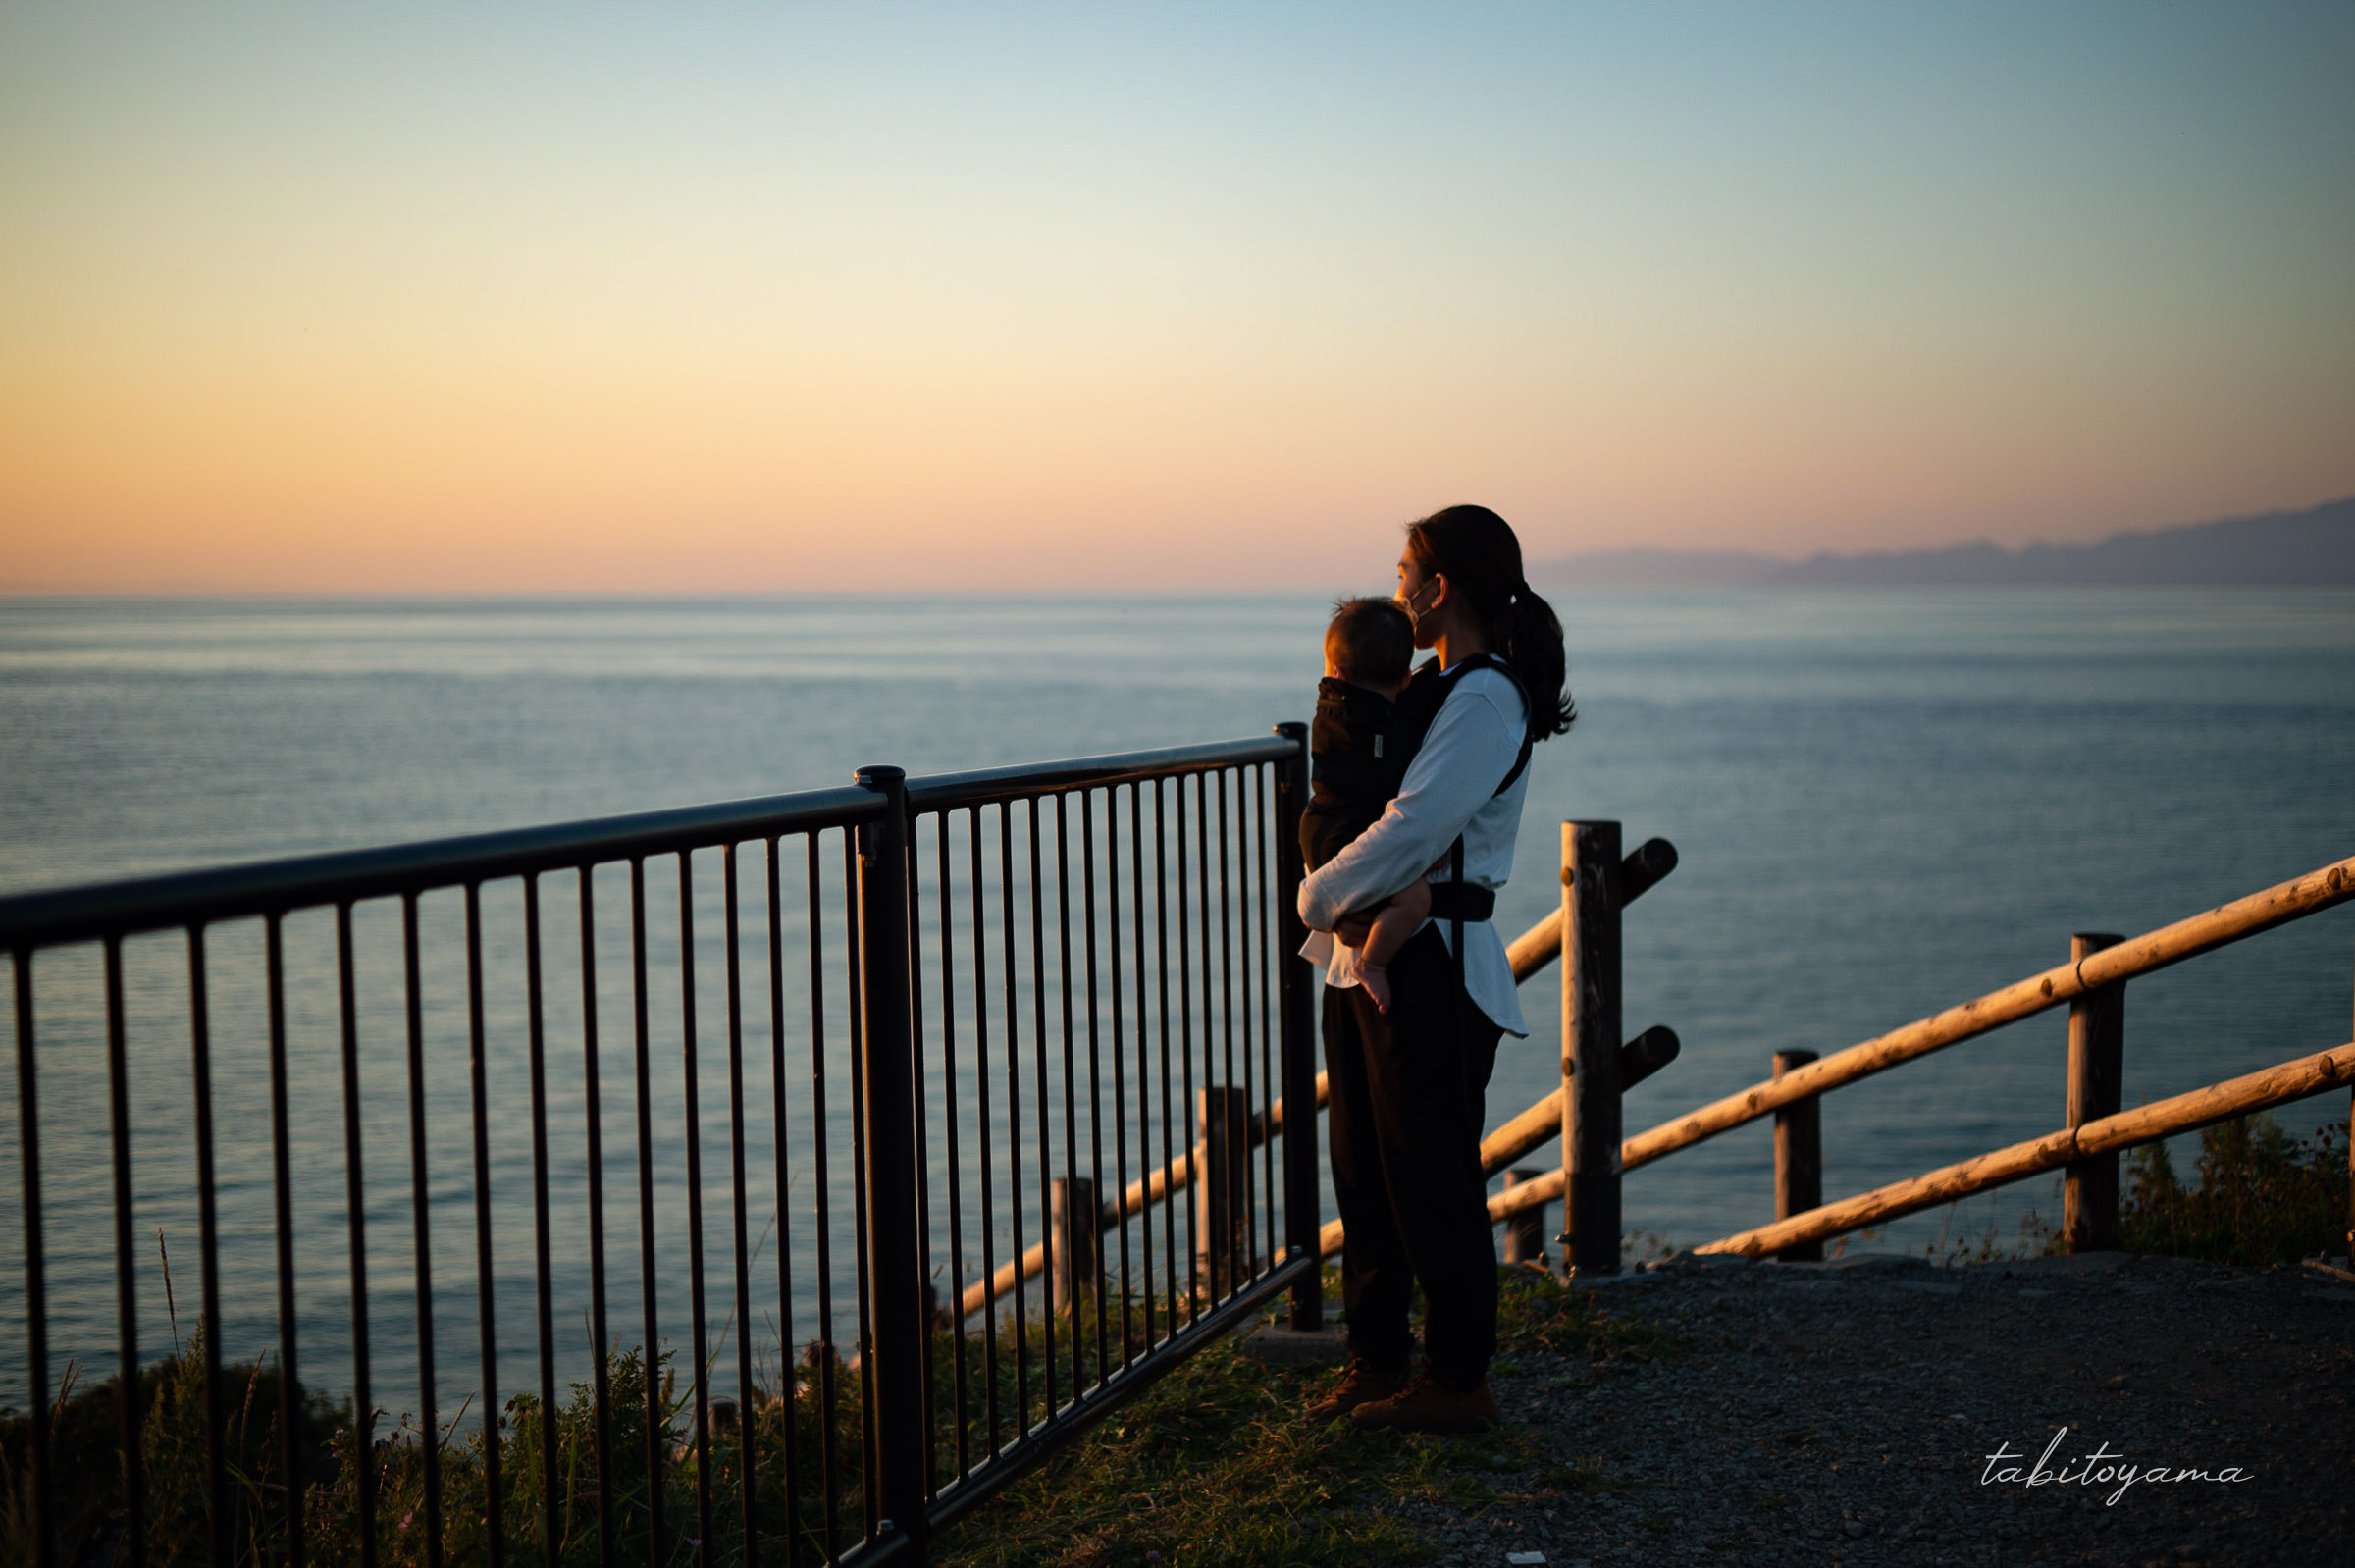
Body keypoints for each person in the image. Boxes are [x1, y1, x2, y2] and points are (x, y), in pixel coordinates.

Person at [1296, 503, 1576, 1435]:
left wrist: (1318, 896)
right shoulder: (1438, 684)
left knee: (1430, 1177)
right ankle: (1378, 1362)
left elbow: (1418, 825)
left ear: (1441, 585)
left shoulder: (1486, 694)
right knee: (1366, 1176)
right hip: (1380, 958)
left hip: (1436, 965)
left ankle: (1458, 1382)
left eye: (1406, 568)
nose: (1397, 584)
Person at [1297, 596, 1433, 1014]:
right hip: (1352, 834)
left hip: (1315, 829)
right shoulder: (1396, 728)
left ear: (1336, 674)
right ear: (1406, 680)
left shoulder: (1330, 713)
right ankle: (1372, 964)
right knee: (1415, 899)